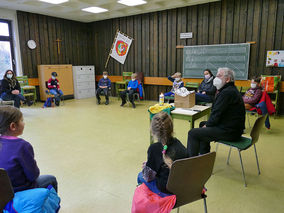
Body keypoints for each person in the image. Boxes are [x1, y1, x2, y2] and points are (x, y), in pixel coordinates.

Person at [187, 68, 245, 157]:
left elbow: (216, 114)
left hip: (230, 132)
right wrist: (207, 125)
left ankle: (190, 163)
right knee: (202, 124)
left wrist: (208, 125)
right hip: (233, 128)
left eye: (218, 76)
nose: (215, 78)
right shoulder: (230, 89)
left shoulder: (226, 93)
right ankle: (204, 155)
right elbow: (217, 113)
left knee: (192, 133)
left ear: (227, 79)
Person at [0, 106, 58, 192]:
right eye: (22, 120)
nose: (24, 123)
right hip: (19, 191)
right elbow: (33, 175)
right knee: (51, 179)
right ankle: (48, 204)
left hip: (3, 192)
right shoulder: (22, 146)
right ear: (13, 126)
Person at [138, 112, 188, 194]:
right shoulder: (178, 143)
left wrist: (146, 166)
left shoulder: (154, 149)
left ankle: (152, 204)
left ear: (153, 131)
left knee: (140, 176)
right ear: (171, 128)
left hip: (167, 189)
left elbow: (148, 177)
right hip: (184, 186)